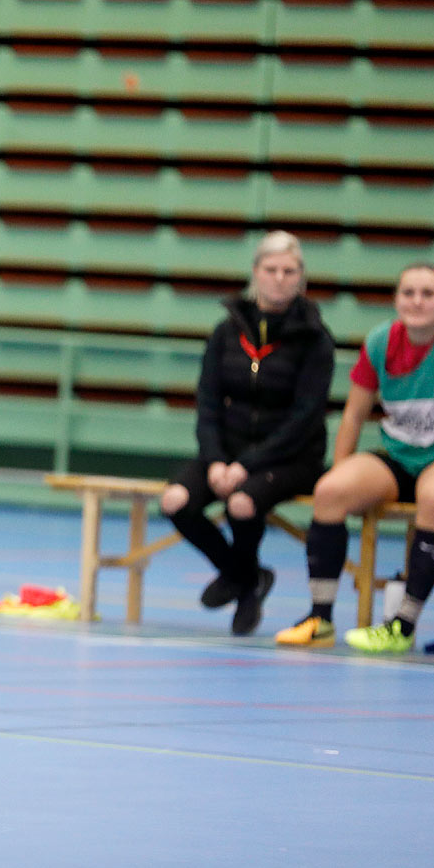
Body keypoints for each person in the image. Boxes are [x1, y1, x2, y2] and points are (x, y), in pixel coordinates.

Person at [276, 262, 434, 653]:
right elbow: (354, 414)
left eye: (428, 294)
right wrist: (341, 470)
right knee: (330, 491)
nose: (417, 301)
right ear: (396, 299)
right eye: (408, 293)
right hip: (398, 454)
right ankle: (319, 618)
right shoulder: (379, 341)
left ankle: (401, 625)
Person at [160, 231, 335, 635]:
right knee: (175, 500)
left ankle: (242, 583)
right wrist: (218, 458)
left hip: (290, 457)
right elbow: (206, 402)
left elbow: (305, 417)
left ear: (300, 277)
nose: (279, 278)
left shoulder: (315, 339)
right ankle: (246, 577)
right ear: (256, 272)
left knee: (241, 503)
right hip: (227, 449)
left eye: (288, 271)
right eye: (270, 269)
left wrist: (245, 465)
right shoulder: (226, 332)